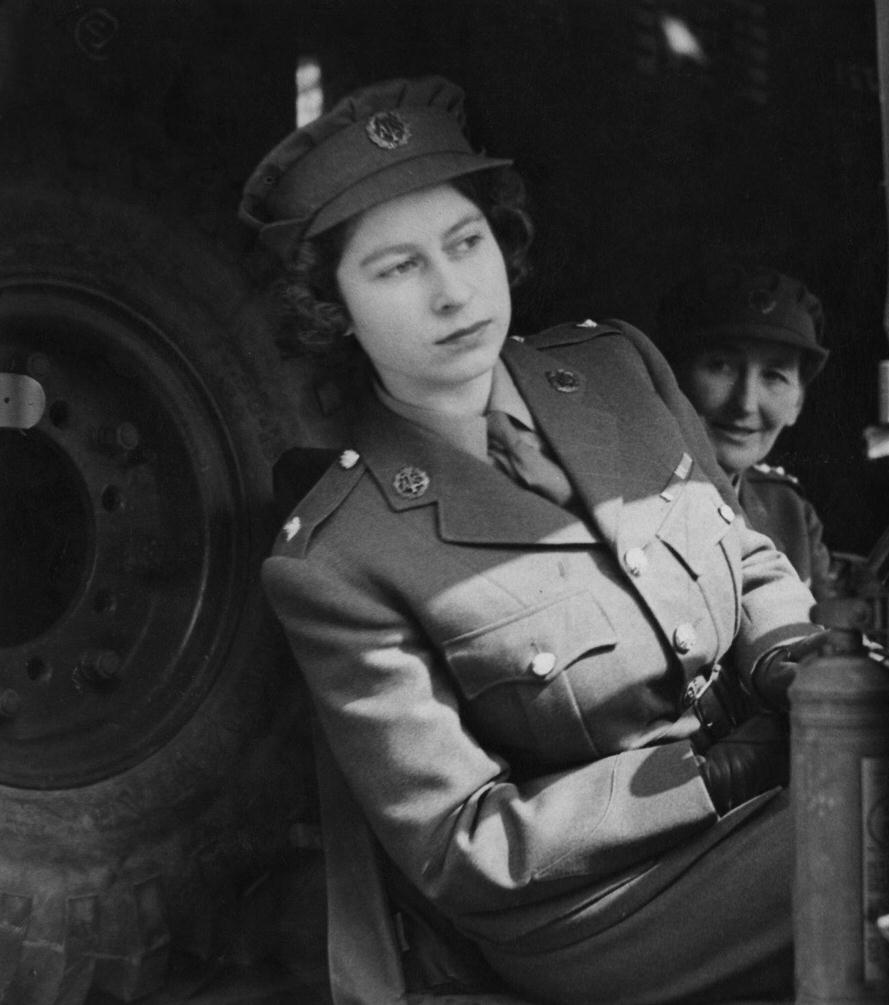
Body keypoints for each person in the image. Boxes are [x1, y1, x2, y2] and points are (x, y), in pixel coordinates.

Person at [240, 76, 823, 1005]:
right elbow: (462, 841)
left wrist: (792, 660)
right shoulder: (336, 559)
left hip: (775, 795)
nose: (451, 292)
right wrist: (710, 776)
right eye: (397, 268)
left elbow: (746, 558)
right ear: (332, 307)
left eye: (465, 244)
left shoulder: (619, 369)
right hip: (601, 909)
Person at [656, 263, 835, 599]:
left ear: (797, 403)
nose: (746, 404)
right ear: (673, 379)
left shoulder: (789, 513)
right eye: (721, 365)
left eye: (774, 375)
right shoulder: (629, 501)